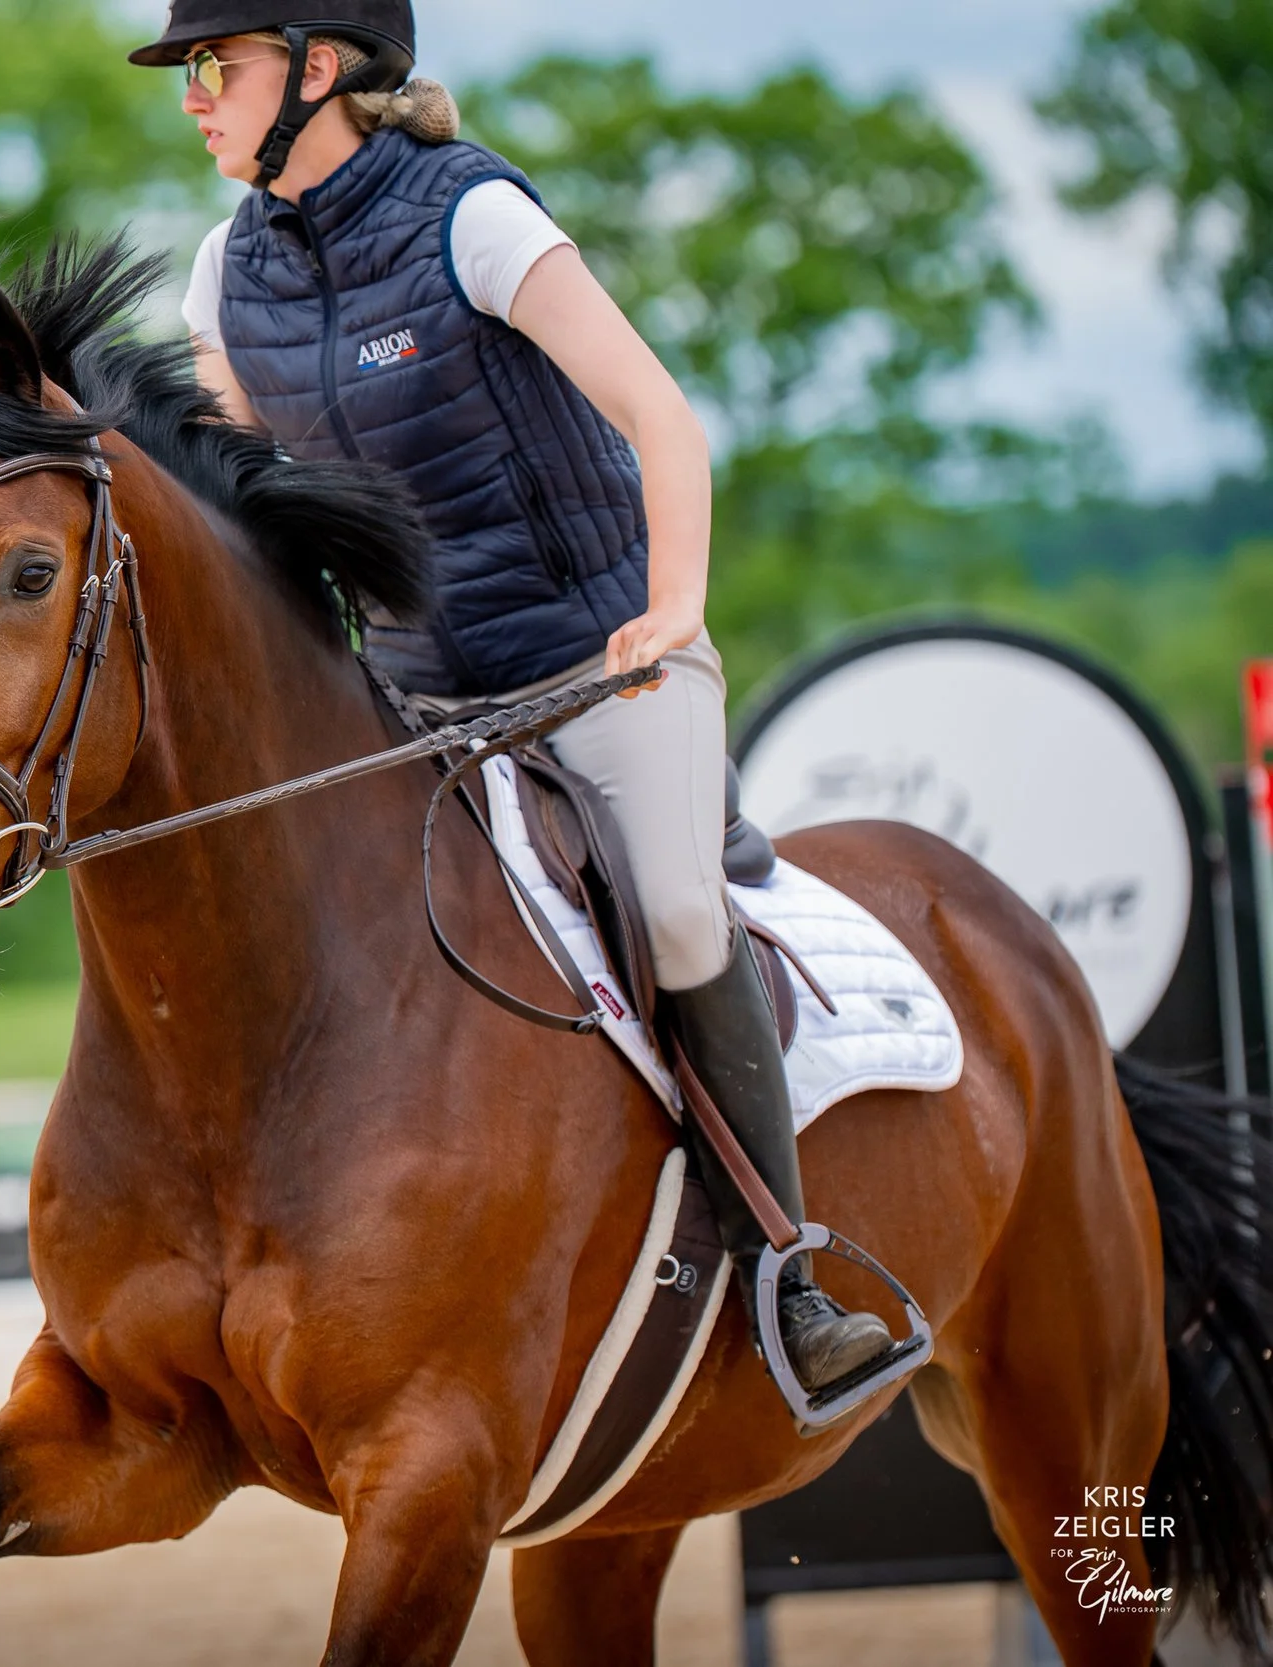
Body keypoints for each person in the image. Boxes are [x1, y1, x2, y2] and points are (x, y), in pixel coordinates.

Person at [127, 0, 896, 1397]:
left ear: (317, 69)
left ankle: (789, 1264)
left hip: (600, 667)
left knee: (669, 907)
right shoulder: (220, 279)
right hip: (421, 711)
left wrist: (672, 613)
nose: (193, 97)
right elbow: (262, 527)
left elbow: (663, 418)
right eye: (190, 71)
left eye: (211, 65)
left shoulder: (472, 217)